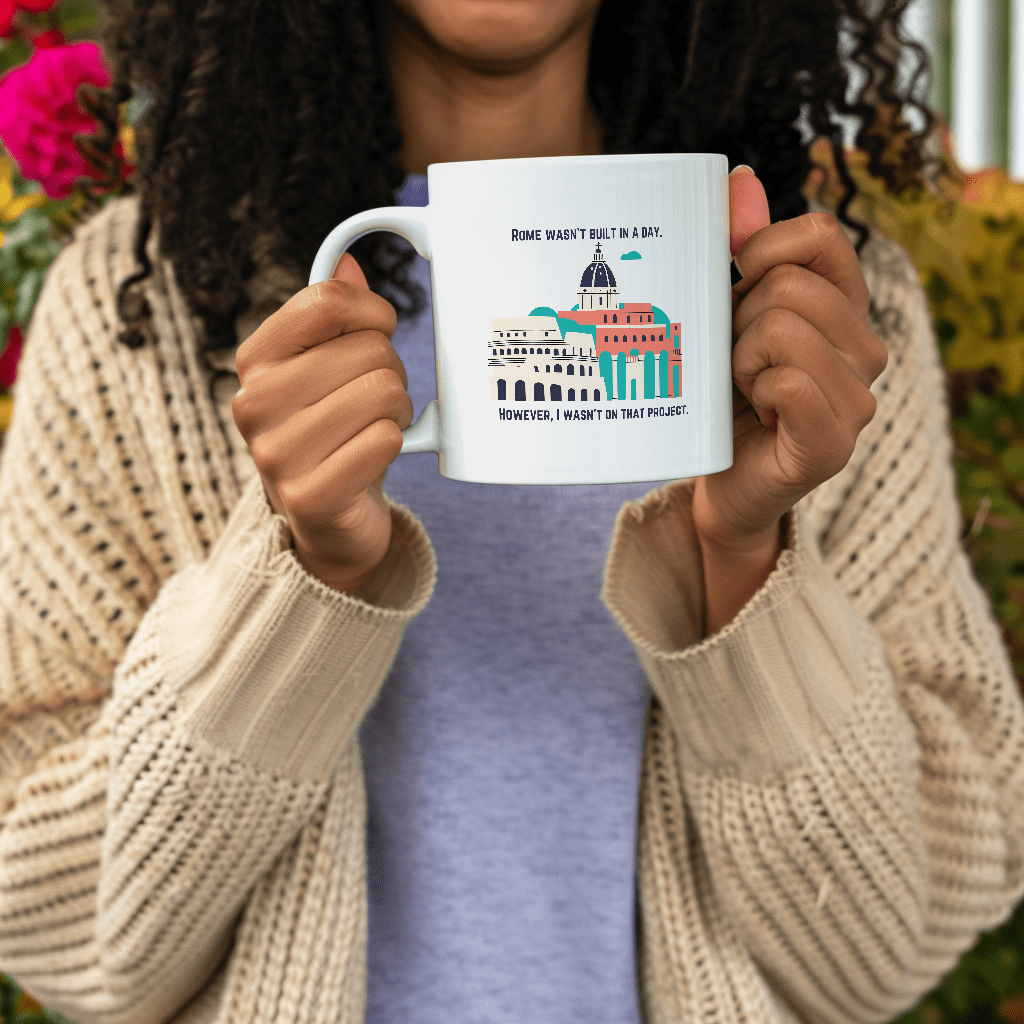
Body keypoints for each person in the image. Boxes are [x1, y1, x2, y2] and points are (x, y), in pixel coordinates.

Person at [1, 0, 1023, 1022]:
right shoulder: (143, 303)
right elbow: (63, 930)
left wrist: (743, 561)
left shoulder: (817, 320)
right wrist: (300, 582)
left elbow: (873, 963)